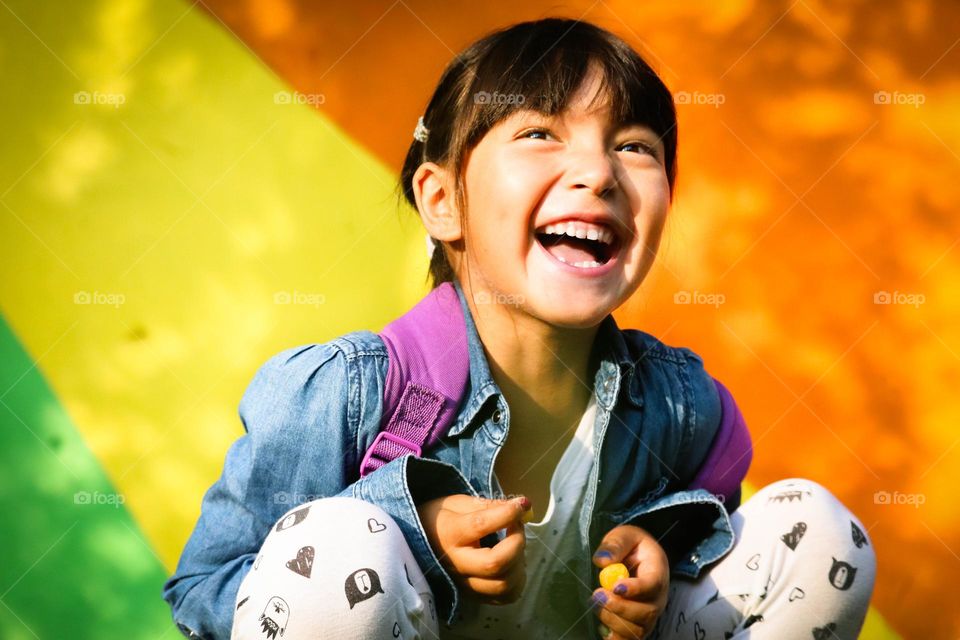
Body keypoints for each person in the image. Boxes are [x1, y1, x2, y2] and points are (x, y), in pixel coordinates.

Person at [162, 17, 876, 640]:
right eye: (539, 133)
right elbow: (204, 593)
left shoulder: (681, 409)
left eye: (634, 147)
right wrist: (410, 531)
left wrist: (666, 562)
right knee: (341, 544)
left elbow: (714, 569)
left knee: (816, 535)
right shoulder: (342, 396)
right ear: (442, 202)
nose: (597, 172)